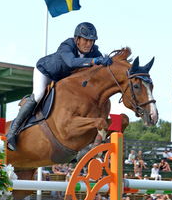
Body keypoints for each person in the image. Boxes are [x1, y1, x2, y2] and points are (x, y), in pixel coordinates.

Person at [7, 22, 113, 151]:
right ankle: (12, 132)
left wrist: (108, 64)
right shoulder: (67, 45)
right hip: (46, 72)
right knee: (39, 95)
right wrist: (95, 61)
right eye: (85, 40)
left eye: (92, 41)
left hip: (64, 80)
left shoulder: (94, 51)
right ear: (77, 39)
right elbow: (71, 62)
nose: (89, 44)